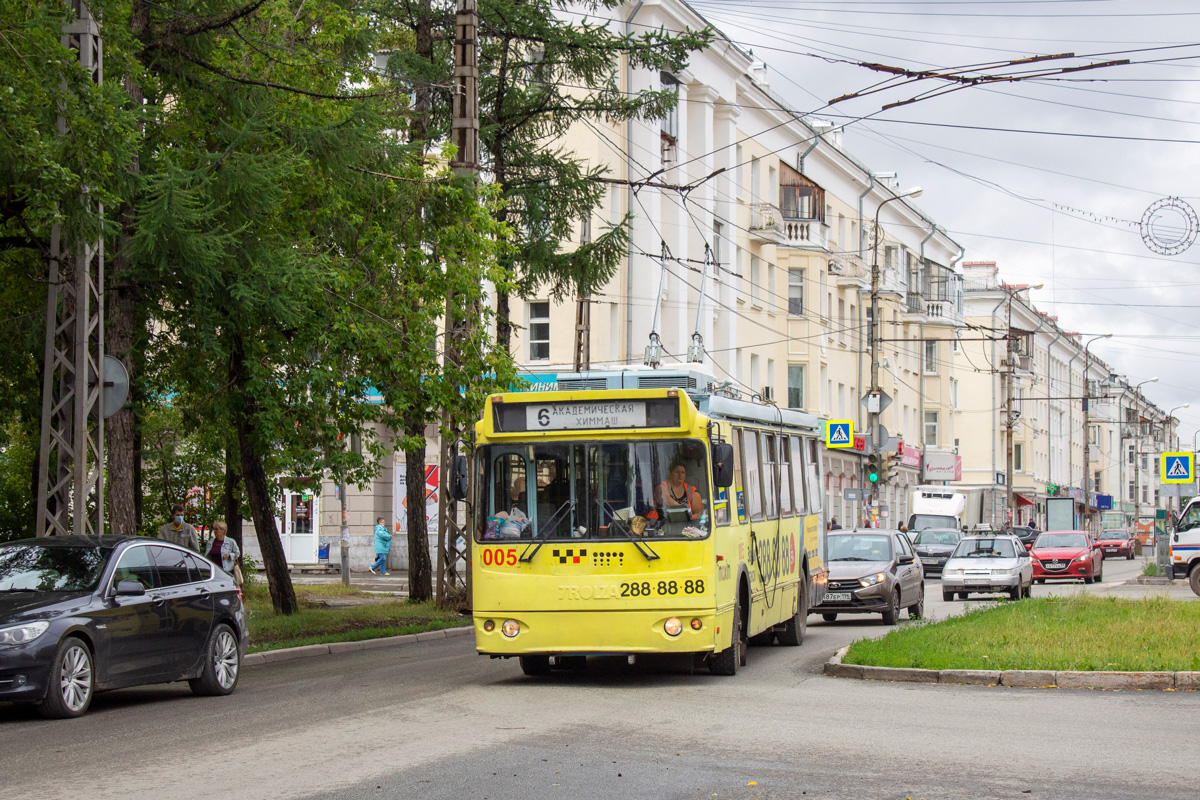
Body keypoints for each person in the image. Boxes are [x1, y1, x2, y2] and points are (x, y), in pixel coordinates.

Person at [206, 520, 242, 585]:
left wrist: (230, 555)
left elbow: (237, 553)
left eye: (217, 529)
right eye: (214, 529)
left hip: (226, 570)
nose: (215, 531)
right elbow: (207, 555)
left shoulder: (231, 541)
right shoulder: (211, 541)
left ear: (223, 530)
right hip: (214, 570)